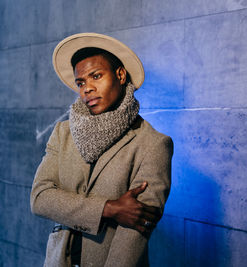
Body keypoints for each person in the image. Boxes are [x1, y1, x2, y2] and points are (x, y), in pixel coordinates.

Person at [30, 33, 173, 267]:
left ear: (120, 75)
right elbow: (40, 198)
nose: (87, 88)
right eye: (81, 82)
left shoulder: (153, 144)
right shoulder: (63, 132)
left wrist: (69, 204)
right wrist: (109, 209)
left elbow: (134, 233)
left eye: (96, 76)